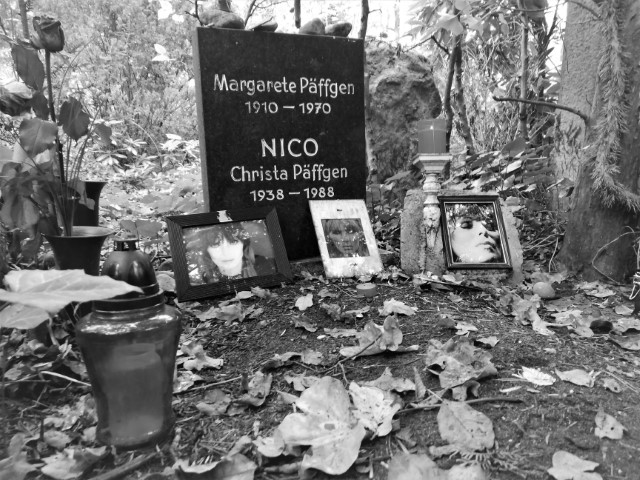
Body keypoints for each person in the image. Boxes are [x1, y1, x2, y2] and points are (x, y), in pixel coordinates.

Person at [192, 223, 276, 284]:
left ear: (244, 245)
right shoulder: (203, 281)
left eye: (233, 242)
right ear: (206, 251)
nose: (226, 252)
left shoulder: (270, 268)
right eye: (215, 244)